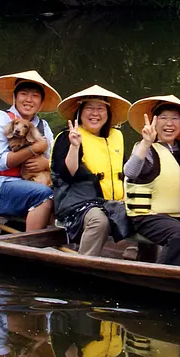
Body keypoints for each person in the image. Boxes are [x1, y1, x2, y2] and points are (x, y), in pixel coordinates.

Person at [124, 95, 180, 266]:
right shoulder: (145, 148)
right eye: (163, 118)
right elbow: (130, 172)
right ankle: (162, 279)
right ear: (154, 122)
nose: (169, 123)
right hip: (148, 217)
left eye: (175, 118)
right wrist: (146, 143)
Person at [50, 85, 131, 256]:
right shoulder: (68, 136)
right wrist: (74, 147)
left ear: (108, 114)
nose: (95, 113)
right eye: (89, 108)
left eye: (100, 108)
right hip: (78, 202)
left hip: (114, 201)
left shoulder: (117, 137)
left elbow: (126, 173)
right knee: (99, 221)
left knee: (148, 214)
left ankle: (142, 262)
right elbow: (66, 174)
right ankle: (84, 265)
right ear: (80, 112)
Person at [0, 71, 59, 232]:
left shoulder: (43, 126)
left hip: (30, 183)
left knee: (68, 192)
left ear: (41, 103)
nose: (29, 99)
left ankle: (62, 239)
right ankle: (31, 245)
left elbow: (54, 161)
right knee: (46, 194)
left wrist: (45, 163)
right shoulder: (0, 119)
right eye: (23, 94)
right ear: (14, 98)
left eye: (35, 95)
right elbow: (1, 163)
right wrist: (34, 149)